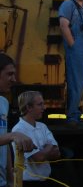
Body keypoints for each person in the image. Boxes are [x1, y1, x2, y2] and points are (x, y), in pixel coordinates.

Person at [0, 53, 35, 187]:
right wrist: (13, 135)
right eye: (9, 74)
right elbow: (8, 137)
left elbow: (5, 143)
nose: (14, 79)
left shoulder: (3, 102)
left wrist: (10, 178)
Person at [11, 91, 61, 187]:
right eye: (40, 104)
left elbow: (57, 153)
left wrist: (43, 153)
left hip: (46, 180)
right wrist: (49, 146)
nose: (44, 108)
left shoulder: (42, 126)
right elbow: (38, 158)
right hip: (28, 183)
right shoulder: (19, 130)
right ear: (28, 107)